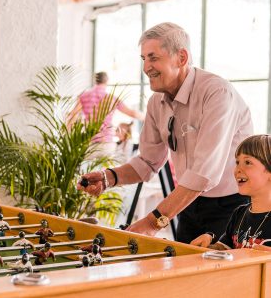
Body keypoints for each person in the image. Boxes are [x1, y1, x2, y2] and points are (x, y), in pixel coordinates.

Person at [77, 22, 253, 244]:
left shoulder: (216, 93)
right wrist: (109, 177)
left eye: (153, 58)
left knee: (218, 277)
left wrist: (152, 222)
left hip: (231, 206)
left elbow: (204, 173)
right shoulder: (156, 103)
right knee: (182, 275)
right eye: (143, 59)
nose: (146, 68)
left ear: (181, 58)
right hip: (187, 202)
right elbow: (147, 162)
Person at [191, 135, 271, 251]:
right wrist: (209, 243)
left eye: (247, 162)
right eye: (237, 162)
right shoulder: (239, 213)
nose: (237, 169)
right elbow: (225, 248)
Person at [67, 72, 144, 155]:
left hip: (90, 142)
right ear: (107, 81)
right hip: (107, 143)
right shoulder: (111, 98)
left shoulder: (84, 96)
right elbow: (132, 113)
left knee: (90, 168)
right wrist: (146, 118)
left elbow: (72, 115)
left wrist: (68, 137)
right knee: (106, 168)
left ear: (95, 81)